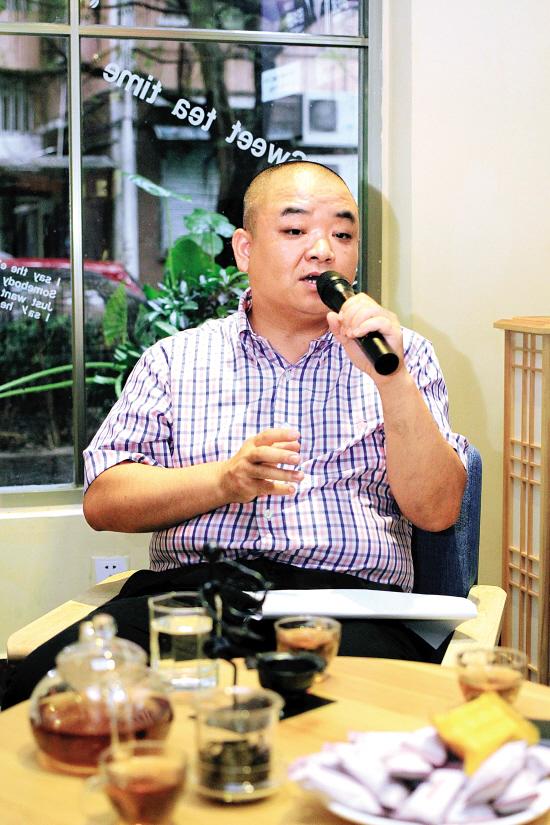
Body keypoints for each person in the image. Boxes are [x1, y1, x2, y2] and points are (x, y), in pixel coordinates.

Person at [2, 161, 467, 709]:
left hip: (350, 612)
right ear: (245, 250)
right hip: (193, 599)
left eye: (342, 235)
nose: (322, 251)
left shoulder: (403, 355)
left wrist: (392, 381)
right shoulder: (175, 360)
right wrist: (224, 481)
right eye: (295, 230)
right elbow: (105, 502)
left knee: (342, 725)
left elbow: (438, 511)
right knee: (42, 695)